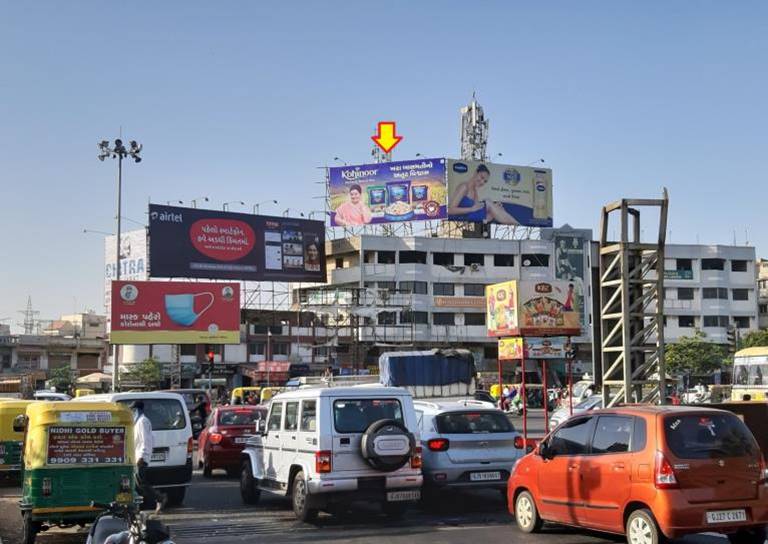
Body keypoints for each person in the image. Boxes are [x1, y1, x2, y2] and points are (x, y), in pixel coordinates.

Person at [447, 164, 520, 224]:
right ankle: (516, 223)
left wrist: (494, 208)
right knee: (488, 202)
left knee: (497, 206)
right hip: (462, 218)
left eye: (485, 181)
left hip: (474, 219)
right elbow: (450, 210)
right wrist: (471, 209)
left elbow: (477, 213)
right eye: (481, 177)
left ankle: (516, 223)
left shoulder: (475, 191)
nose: (482, 182)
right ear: (476, 172)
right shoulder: (464, 187)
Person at [130, 401, 166, 513]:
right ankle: (138, 506)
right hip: (136, 457)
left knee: (141, 484)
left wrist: (142, 456)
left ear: (138, 409)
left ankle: (160, 498)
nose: (132, 412)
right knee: (136, 484)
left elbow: (147, 440)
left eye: (133, 410)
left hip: (141, 458)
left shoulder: (142, 421)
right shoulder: (138, 421)